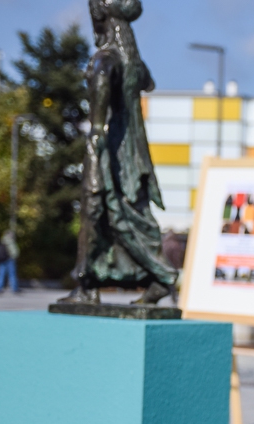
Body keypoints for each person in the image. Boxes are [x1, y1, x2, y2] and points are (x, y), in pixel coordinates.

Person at [57, 0, 177, 306]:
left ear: (99, 12)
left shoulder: (106, 59)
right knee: (131, 213)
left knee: (95, 207)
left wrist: (97, 131)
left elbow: (101, 87)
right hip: (134, 152)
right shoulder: (134, 61)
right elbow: (148, 83)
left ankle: (87, 284)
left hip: (108, 146)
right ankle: (155, 279)